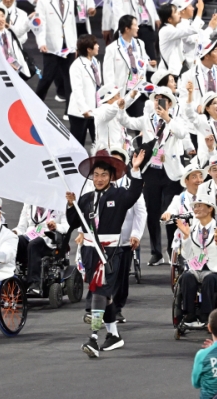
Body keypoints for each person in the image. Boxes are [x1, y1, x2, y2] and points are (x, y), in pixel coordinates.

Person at [65, 150, 145, 358]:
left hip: (110, 253)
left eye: (103, 175)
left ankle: (93, 338)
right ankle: (114, 335)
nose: (99, 179)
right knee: (105, 295)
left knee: (100, 292)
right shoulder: (86, 198)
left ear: (111, 177)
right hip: (90, 252)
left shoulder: (119, 196)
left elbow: (135, 193)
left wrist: (135, 169)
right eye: (96, 175)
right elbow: (74, 222)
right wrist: (71, 205)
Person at [118, 87, 187, 265]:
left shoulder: (176, 120)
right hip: (151, 170)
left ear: (170, 104)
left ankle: (173, 249)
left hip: (171, 171)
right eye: (157, 99)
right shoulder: (146, 120)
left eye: (163, 99)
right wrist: (121, 106)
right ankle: (156, 251)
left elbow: (182, 134)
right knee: (152, 211)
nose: (159, 102)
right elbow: (126, 122)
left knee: (171, 211)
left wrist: (167, 118)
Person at [177, 196, 217, 327]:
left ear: (210, 209)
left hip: (216, 269)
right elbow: (186, 254)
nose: (196, 209)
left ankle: (206, 316)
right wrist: (186, 237)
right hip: (197, 267)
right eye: (195, 206)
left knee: (209, 280)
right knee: (186, 277)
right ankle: (189, 315)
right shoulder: (192, 229)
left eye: (200, 206)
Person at [108, 147, 146, 323]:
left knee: (121, 277)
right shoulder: (99, 182)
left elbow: (141, 212)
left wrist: (136, 235)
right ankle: (102, 308)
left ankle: (117, 308)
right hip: (104, 241)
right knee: (106, 276)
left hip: (124, 241)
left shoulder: (131, 184)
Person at [35, 0, 77, 110]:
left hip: (68, 46)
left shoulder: (70, 1)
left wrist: (75, 45)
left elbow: (71, 24)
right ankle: (34, 107)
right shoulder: (43, 2)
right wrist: (41, 42)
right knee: (47, 78)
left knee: (70, 79)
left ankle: (69, 111)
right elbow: (41, 24)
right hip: (52, 46)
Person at [13, 204, 69, 295]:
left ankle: (35, 283)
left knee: (33, 245)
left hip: (49, 239)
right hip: (30, 235)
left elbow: (67, 226)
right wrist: (14, 232)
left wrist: (56, 226)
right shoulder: (28, 203)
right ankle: (13, 279)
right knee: (17, 241)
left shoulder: (59, 203)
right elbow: (21, 227)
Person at [157, 0, 217, 78]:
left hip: (178, 70)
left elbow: (197, 34)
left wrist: (211, 27)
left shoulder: (173, 28)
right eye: (176, 12)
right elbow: (192, 33)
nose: (179, 13)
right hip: (171, 72)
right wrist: (200, 10)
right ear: (169, 19)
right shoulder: (166, 30)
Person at [163, 163, 206, 259]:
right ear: (186, 180)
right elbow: (171, 210)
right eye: (194, 177)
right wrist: (168, 214)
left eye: (200, 176)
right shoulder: (179, 199)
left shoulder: (209, 197)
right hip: (185, 235)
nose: (199, 180)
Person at [67, 34, 102, 145]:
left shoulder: (95, 62)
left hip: (95, 111)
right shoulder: (76, 66)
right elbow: (77, 90)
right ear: (88, 49)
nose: (98, 46)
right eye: (95, 44)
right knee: (77, 145)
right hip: (80, 113)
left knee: (99, 143)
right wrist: (84, 109)